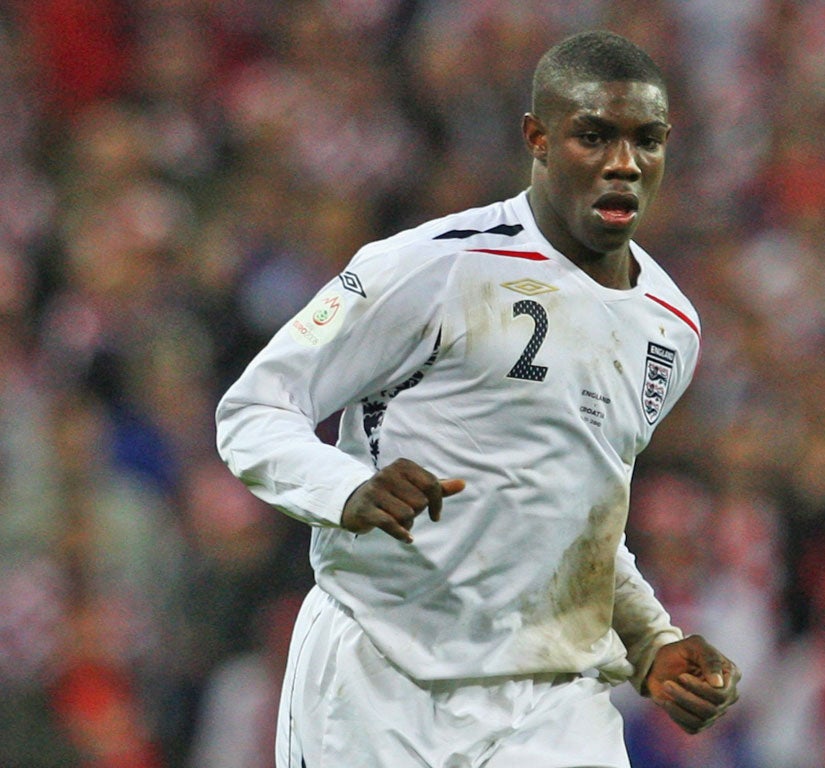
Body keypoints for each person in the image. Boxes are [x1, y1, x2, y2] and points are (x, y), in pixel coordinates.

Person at [215, 29, 740, 768]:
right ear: (538, 139)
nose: (624, 165)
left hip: (550, 699)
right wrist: (350, 489)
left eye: (646, 140)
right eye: (594, 136)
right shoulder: (431, 266)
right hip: (382, 673)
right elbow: (253, 412)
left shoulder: (671, 326)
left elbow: (578, 514)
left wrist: (652, 640)